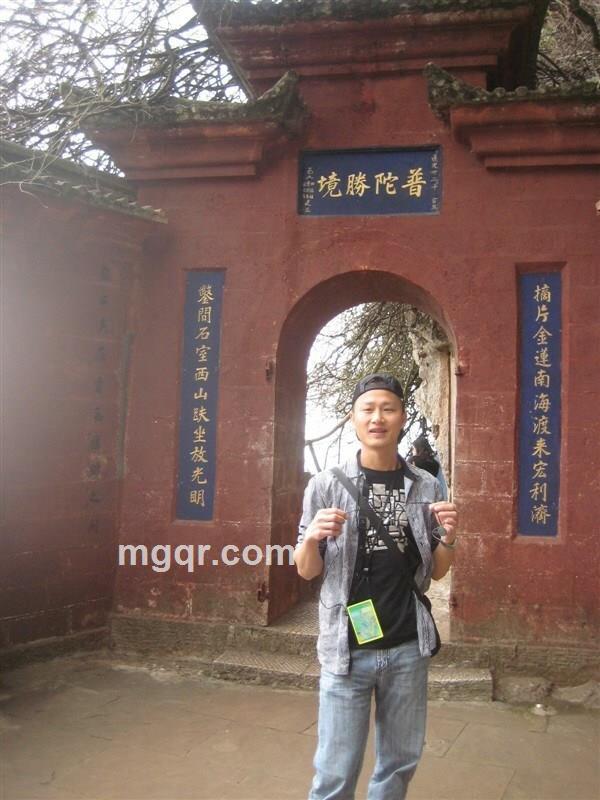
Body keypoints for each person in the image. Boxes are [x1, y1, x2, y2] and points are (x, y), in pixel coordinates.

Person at [294, 373, 458, 800]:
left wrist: (449, 538)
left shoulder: (426, 485)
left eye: (388, 408)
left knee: (399, 764)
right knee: (334, 772)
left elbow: (437, 572)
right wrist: (311, 538)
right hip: (347, 650)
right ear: (353, 418)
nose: (377, 418)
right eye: (367, 409)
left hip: (407, 647)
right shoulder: (326, 485)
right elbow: (306, 570)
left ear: (402, 417)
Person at [408, 434, 449, 500]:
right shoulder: (436, 462)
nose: (412, 451)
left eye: (413, 449)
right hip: (438, 493)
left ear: (418, 449)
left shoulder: (414, 460)